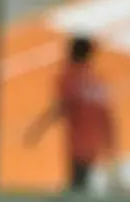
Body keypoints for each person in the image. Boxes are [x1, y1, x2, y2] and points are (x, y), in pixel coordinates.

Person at [24, 35, 118, 191]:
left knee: (77, 184)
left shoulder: (68, 77)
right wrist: (110, 143)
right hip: (94, 141)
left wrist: (38, 129)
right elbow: (106, 115)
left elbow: (61, 107)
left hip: (78, 142)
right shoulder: (97, 80)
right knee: (81, 181)